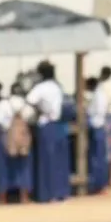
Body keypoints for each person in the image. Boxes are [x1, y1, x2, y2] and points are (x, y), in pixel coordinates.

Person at [26, 59, 69, 201]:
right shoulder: (58, 87)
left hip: (46, 124)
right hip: (59, 125)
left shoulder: (41, 87)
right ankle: (60, 192)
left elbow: (29, 100)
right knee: (59, 161)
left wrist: (39, 109)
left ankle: (46, 194)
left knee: (46, 161)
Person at [0, 82, 36, 204]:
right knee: (24, 167)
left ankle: (2, 198)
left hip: (6, 137)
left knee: (3, 167)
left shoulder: (3, 104)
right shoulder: (26, 105)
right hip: (22, 137)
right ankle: (24, 197)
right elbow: (32, 119)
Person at [86, 72, 111, 194]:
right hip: (98, 126)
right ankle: (99, 184)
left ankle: (99, 184)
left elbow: (96, 111)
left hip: (97, 126)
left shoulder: (98, 95)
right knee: (98, 157)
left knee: (97, 158)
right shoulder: (99, 94)